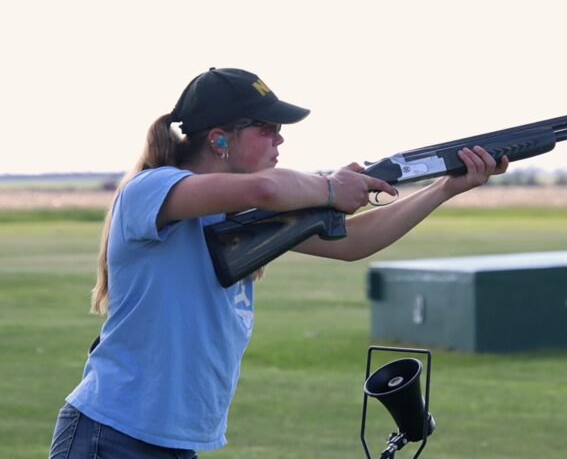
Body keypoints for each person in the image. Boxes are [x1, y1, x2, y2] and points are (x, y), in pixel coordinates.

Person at [49, 67, 509, 458]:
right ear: (219, 138)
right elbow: (265, 189)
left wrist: (446, 187)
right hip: (110, 436)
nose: (280, 137)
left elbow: (353, 242)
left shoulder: (240, 215)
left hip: (172, 442)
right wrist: (330, 189)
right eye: (265, 128)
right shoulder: (150, 189)